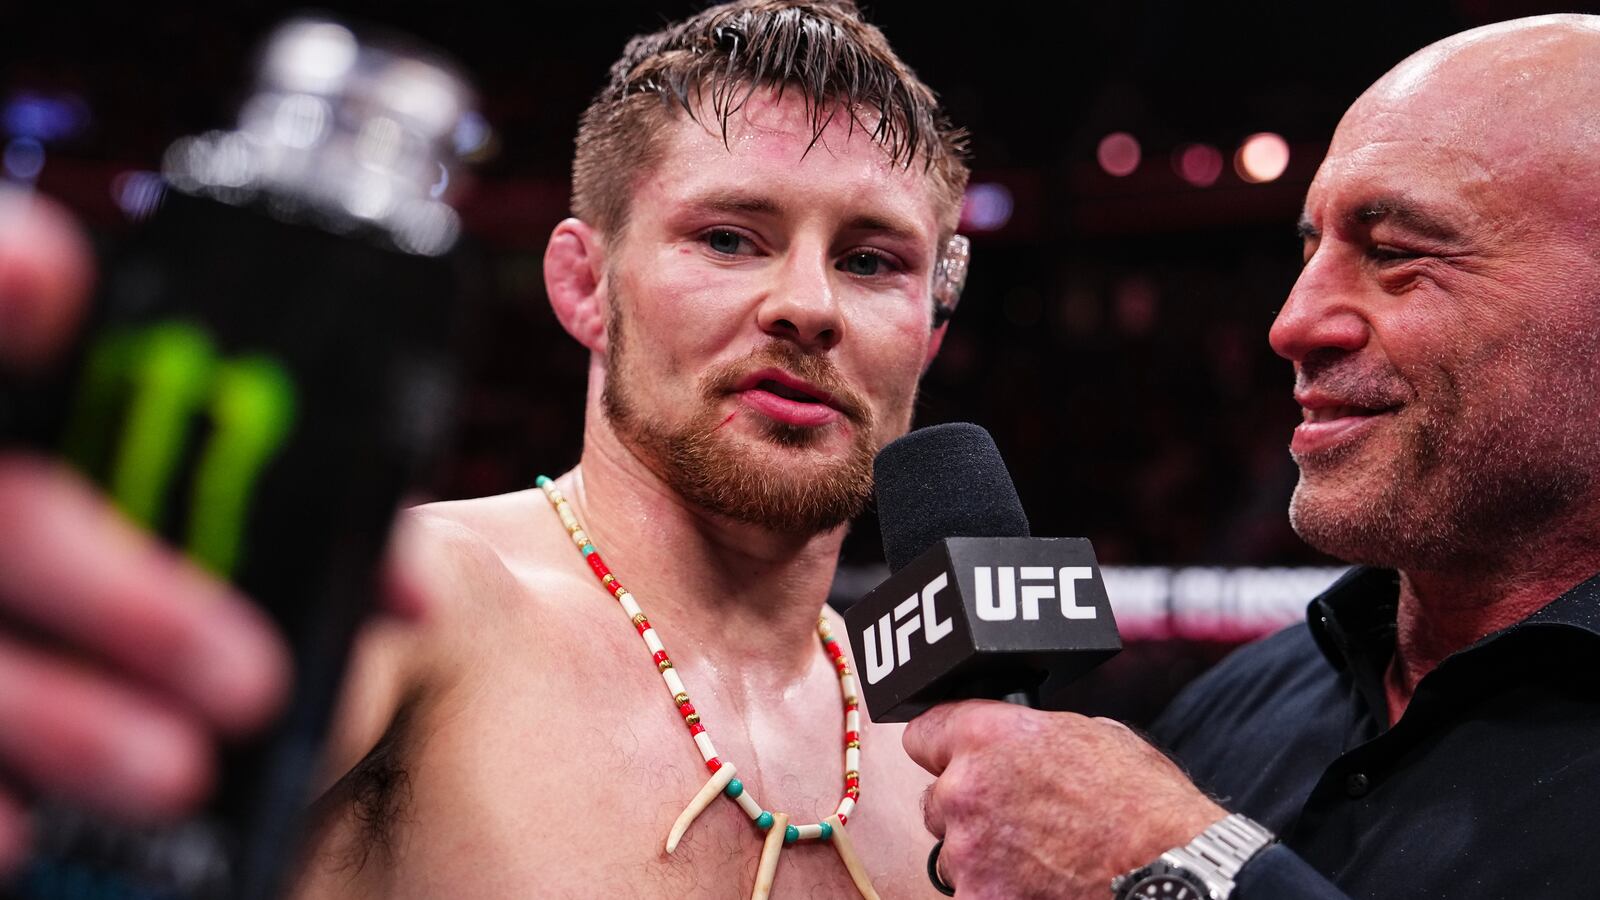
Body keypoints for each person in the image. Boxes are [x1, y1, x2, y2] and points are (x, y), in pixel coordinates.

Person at [0, 1, 973, 896]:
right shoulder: (420, 603)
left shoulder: (950, 760)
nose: (806, 304)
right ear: (583, 285)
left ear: (929, 329)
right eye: (727, 238)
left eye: (870, 261)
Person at [904, 13, 1600, 899]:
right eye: (1311, 250)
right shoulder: (1239, 704)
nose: (1292, 324)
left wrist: (1185, 871)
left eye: (1393, 254)